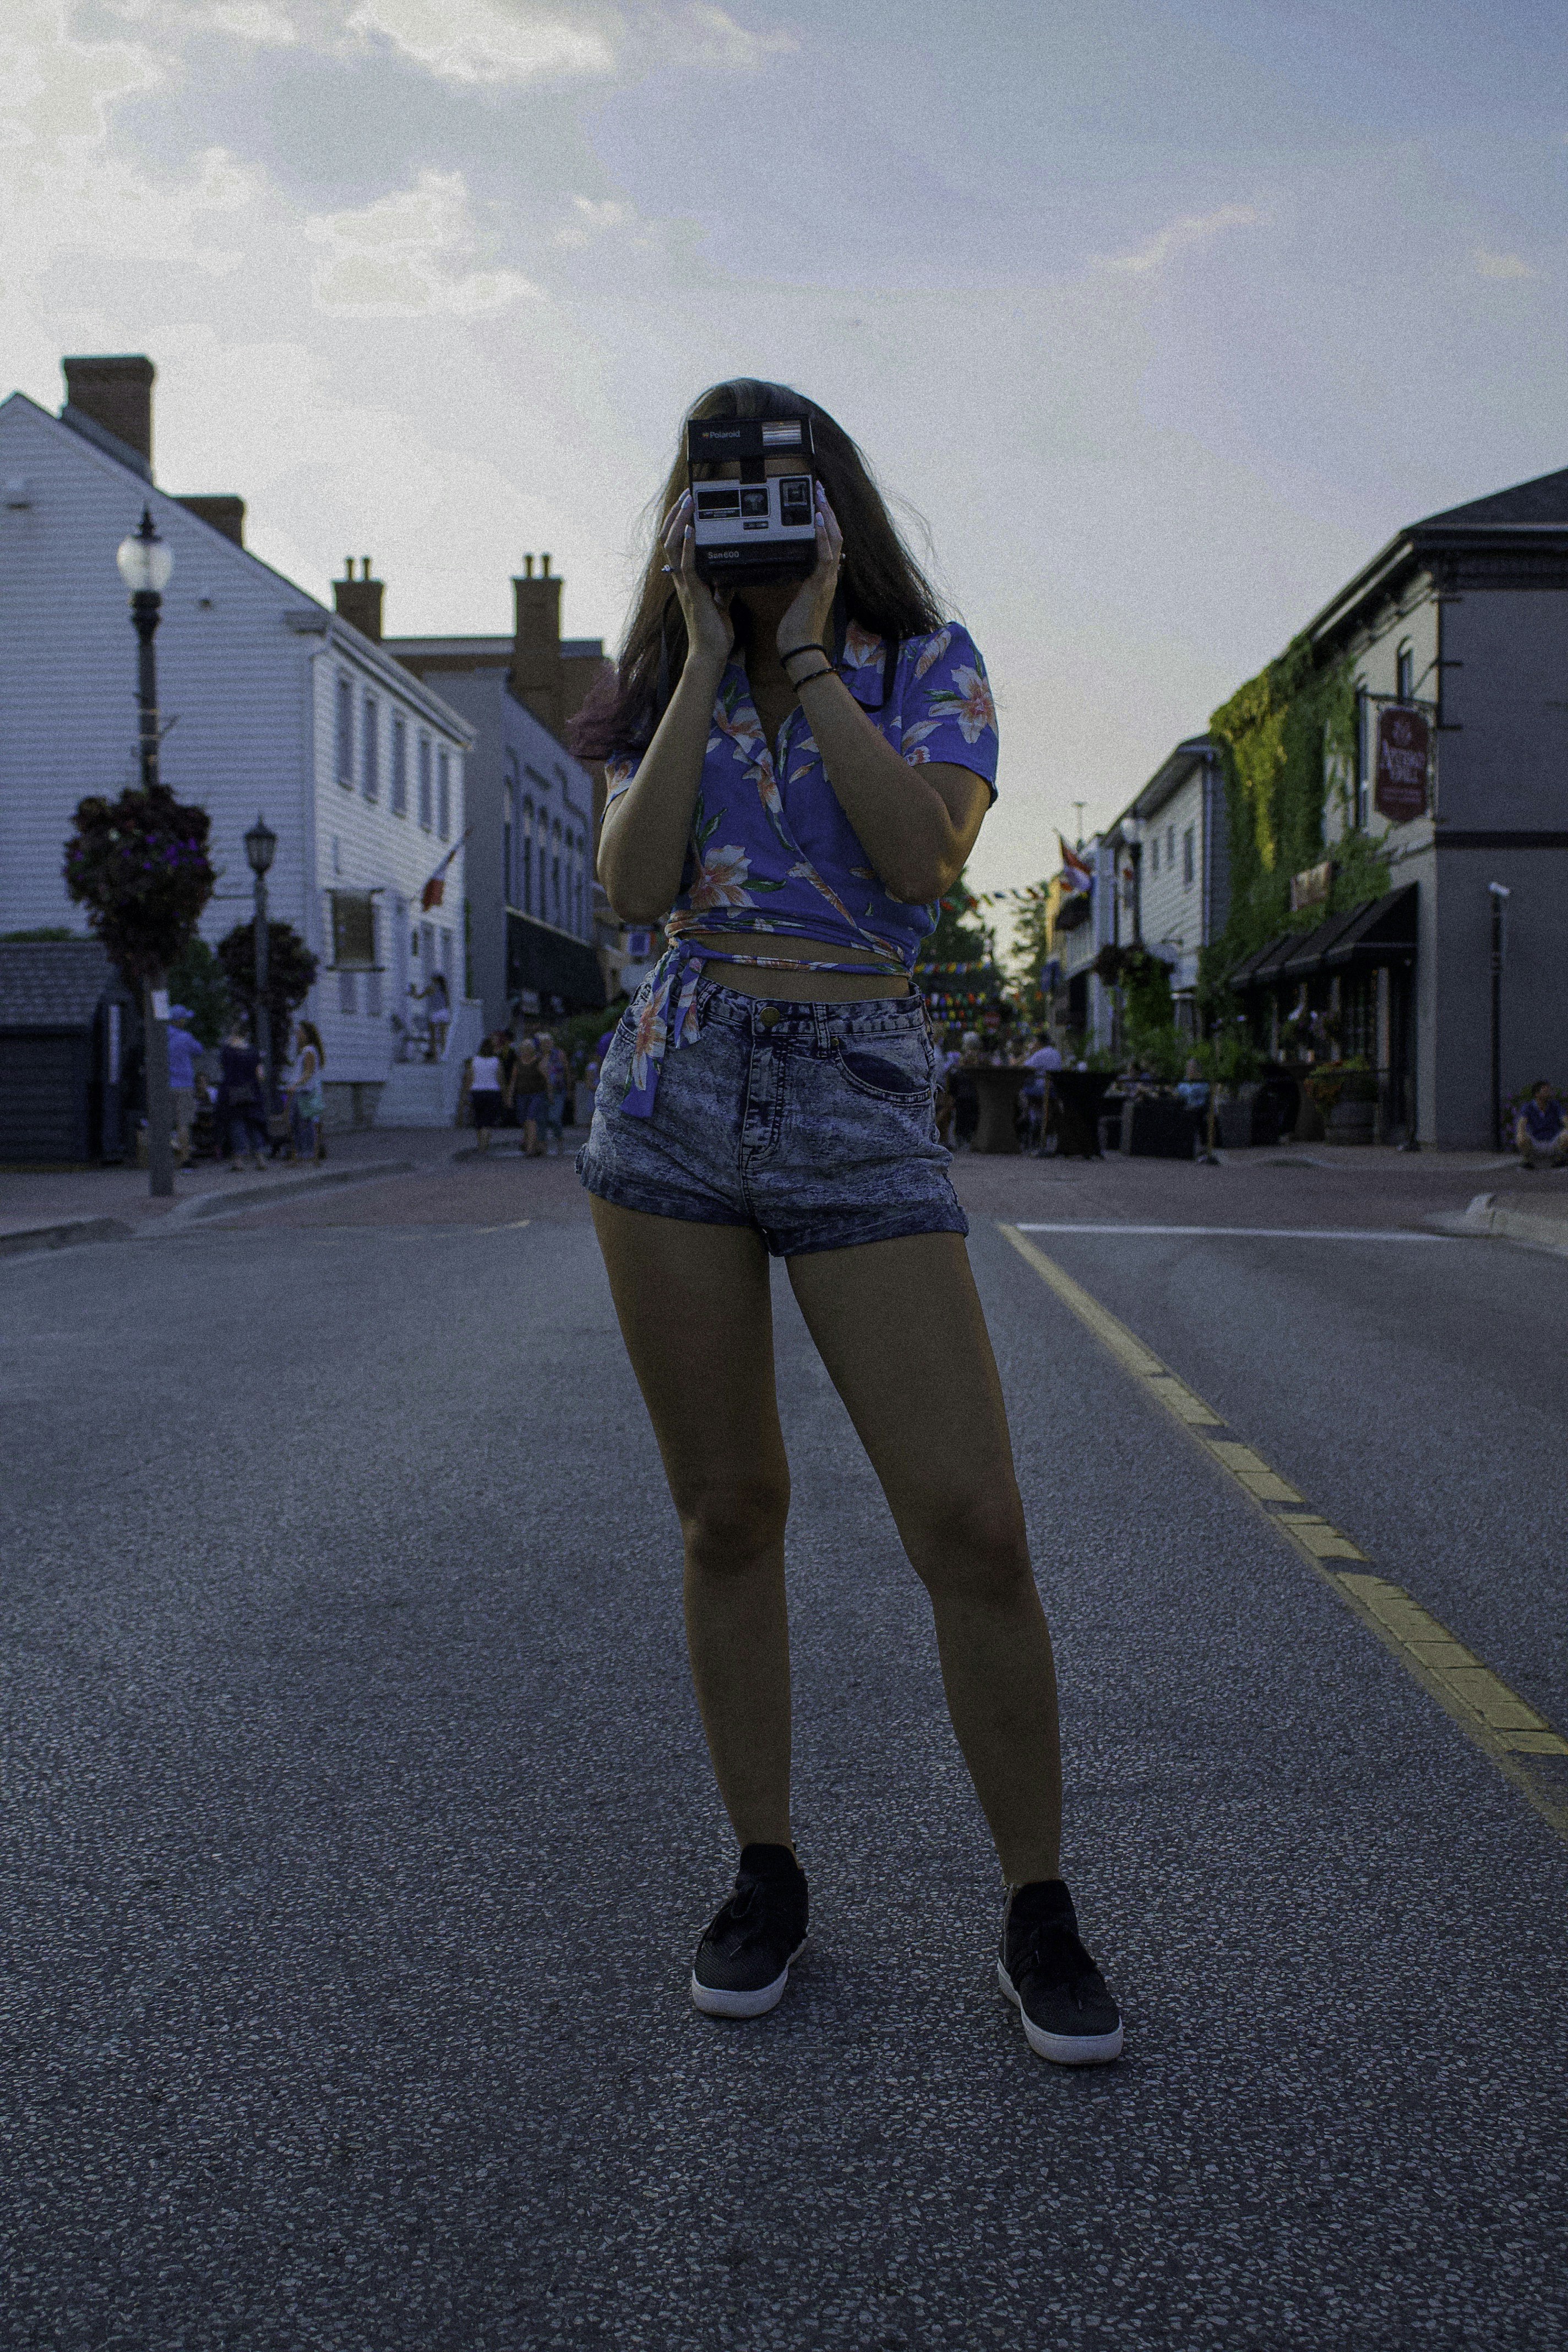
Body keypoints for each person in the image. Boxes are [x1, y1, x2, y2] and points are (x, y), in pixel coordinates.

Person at [573, 376, 1121, 2066]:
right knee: (728, 1508)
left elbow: (917, 863)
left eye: (776, 487)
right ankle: (765, 1867)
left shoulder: (921, 664)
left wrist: (806, 655)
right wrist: (702, 658)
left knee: (971, 1520)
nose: (746, 516)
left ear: (832, 505)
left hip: (853, 1102)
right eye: (714, 491)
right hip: (671, 1100)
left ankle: (1037, 1899)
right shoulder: (661, 683)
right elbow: (631, 886)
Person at [216, 1025, 266, 1170]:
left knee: (236, 1125)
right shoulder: (253, 1051)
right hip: (252, 1091)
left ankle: (239, 1161)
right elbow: (261, 1075)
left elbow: (223, 1068)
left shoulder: (227, 1050)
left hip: (232, 1091)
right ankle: (261, 1159)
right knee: (254, 1124)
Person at [166, 1004, 203, 1168]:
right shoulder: (185, 1037)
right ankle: (184, 1158)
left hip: (166, 1085)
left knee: (167, 1123)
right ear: (179, 1021)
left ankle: (168, 1156)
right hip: (184, 1085)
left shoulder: (161, 1036)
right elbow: (199, 1050)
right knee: (183, 1123)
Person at [287, 1020, 326, 1162]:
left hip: (306, 1092)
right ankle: (301, 1153)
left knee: (303, 1123)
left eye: (300, 1032)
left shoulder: (309, 1051)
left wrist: (295, 1085)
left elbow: (308, 1073)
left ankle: (306, 1152)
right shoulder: (306, 1051)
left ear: (306, 1034)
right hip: (304, 1091)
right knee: (299, 1122)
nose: (297, 1035)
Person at [1516, 1080, 1568, 1169]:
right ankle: (1528, 1161)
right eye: (1545, 1091)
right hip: (1536, 1142)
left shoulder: (1555, 1105)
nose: (1549, 1093)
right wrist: (1521, 1134)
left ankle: (1559, 1160)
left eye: (1549, 1091)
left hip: (1553, 1141)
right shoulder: (1528, 1107)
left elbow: (1565, 1119)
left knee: (1567, 1135)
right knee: (1521, 1137)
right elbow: (1522, 1123)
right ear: (1537, 1094)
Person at [511, 1034, 549, 1157]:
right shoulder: (518, 1063)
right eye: (524, 1050)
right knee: (524, 1119)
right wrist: (509, 1095)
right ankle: (531, 1142)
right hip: (522, 1094)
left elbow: (546, 1078)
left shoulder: (538, 1062)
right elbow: (514, 1080)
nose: (525, 1053)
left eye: (528, 1050)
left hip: (536, 1094)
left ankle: (530, 1148)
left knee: (531, 1118)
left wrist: (550, 1093)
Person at [467, 1033, 505, 1152]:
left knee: (479, 1120)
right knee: (488, 1121)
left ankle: (480, 1145)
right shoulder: (496, 1061)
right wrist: (505, 1094)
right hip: (493, 1092)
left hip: (477, 1091)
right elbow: (501, 1079)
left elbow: (470, 1078)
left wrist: (468, 1094)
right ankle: (484, 1146)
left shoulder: (474, 1061)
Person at [424, 970, 450, 1061]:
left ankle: (435, 1057)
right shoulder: (444, 989)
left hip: (436, 1012)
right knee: (443, 1036)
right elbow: (448, 1002)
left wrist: (412, 993)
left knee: (433, 1036)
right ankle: (444, 1055)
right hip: (445, 1012)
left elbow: (419, 997)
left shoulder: (431, 988)